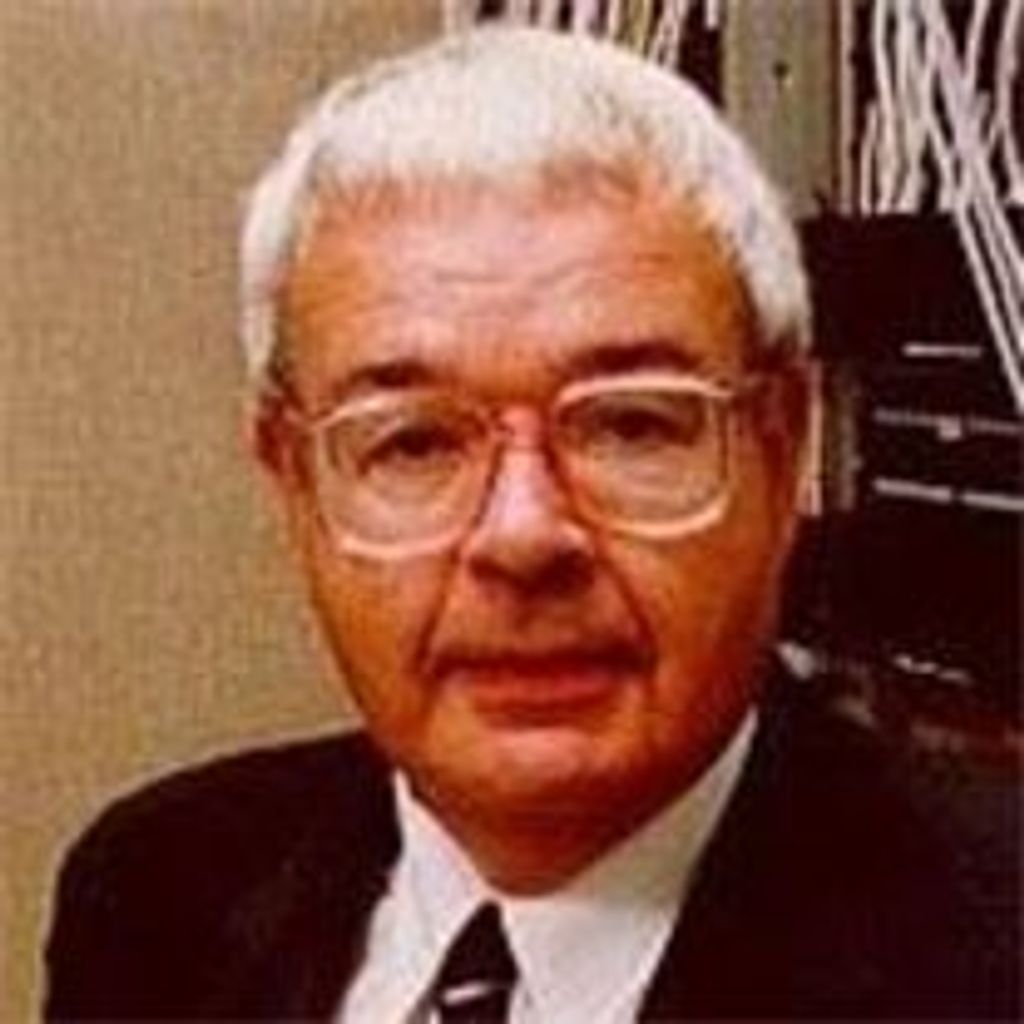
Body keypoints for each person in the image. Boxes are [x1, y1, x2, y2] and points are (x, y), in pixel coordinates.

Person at [44, 26, 1006, 1022]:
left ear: (783, 449)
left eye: (631, 425)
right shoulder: (157, 895)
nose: (523, 535)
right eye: (415, 442)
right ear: (294, 485)